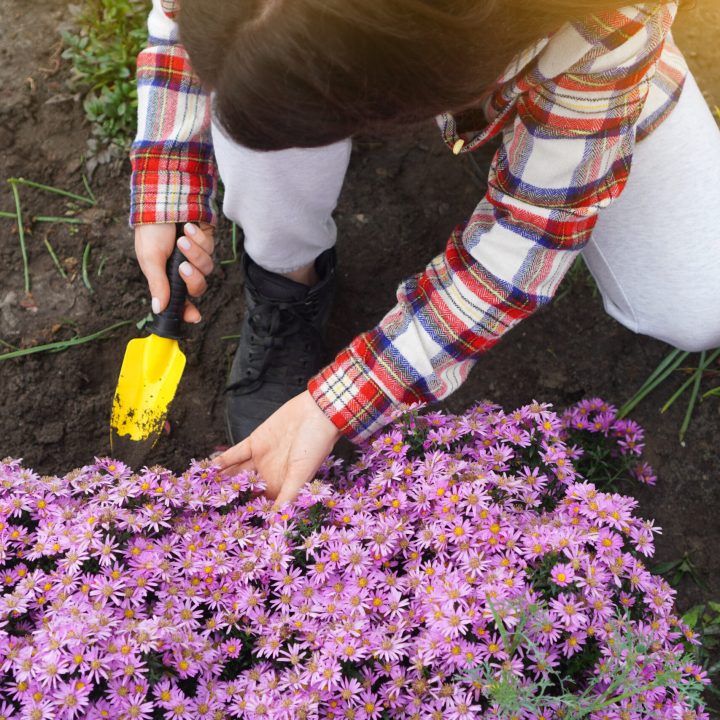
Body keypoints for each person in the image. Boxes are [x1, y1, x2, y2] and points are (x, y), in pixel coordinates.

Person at [130, 0, 720, 505]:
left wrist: (342, 401)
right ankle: (288, 278)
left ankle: (576, 96)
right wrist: (169, 173)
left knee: (700, 300)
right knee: (261, 78)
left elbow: (529, 232)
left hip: (566, 39)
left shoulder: (607, 17)